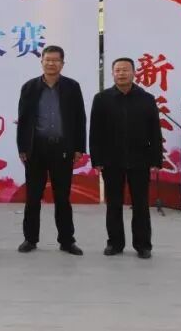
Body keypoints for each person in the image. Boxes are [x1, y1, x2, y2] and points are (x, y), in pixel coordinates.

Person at [89, 57, 163, 259]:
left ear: (134, 73)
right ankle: (115, 243)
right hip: (111, 160)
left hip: (140, 160)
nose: (121, 73)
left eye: (125, 70)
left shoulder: (146, 99)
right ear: (113, 73)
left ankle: (143, 245)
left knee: (141, 205)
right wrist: (97, 159)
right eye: (118, 70)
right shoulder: (101, 99)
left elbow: (155, 131)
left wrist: (156, 159)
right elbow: (95, 132)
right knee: (113, 204)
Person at [16, 45, 87, 256]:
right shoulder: (29, 87)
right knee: (33, 197)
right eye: (47, 60)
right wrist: (22, 148)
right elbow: (23, 120)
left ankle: (67, 241)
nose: (51, 63)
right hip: (36, 148)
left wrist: (79, 147)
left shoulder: (72, 87)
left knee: (62, 197)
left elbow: (80, 119)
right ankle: (30, 239)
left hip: (62, 148)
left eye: (56, 60)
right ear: (42, 62)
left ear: (62, 63)